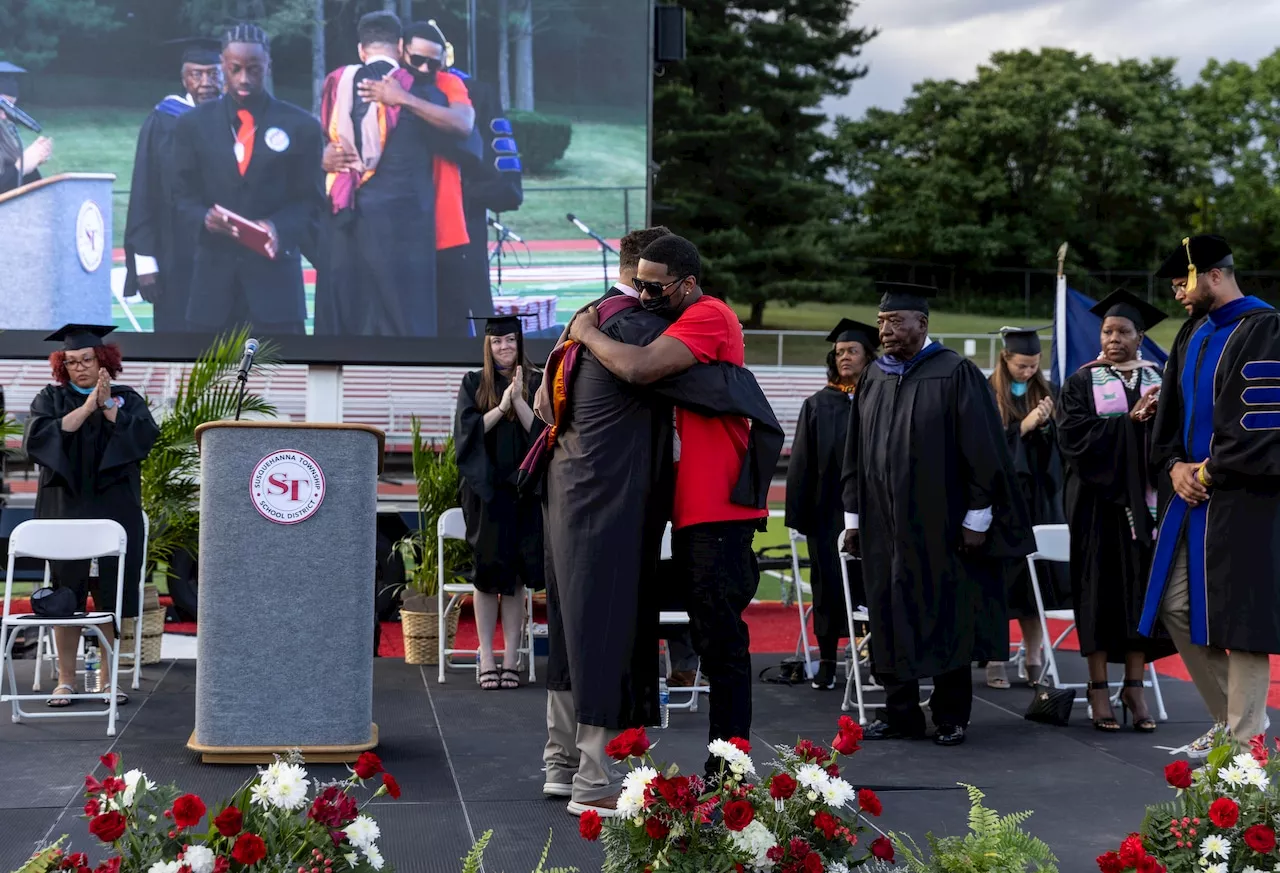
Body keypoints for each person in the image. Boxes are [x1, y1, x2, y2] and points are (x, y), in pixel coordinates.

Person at [568, 234, 770, 778]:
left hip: (718, 509)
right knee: (694, 627)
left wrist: (585, 331)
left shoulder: (709, 316)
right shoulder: (679, 315)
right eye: (638, 283)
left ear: (687, 283)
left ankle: (728, 769)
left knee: (721, 640)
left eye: (654, 287)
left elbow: (636, 369)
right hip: (692, 509)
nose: (643, 294)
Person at [840, 283, 1031, 747]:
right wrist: (853, 520)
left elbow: (982, 451)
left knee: (948, 614)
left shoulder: (955, 372)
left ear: (922, 324)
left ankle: (950, 714)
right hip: (884, 526)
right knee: (887, 614)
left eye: (896, 322)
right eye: (882, 322)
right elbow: (855, 454)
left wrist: (977, 517)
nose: (885, 330)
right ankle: (900, 712)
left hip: (942, 525)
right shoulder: (874, 376)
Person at [1139, 235, 1280, 754]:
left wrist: (1211, 472)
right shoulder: (1194, 332)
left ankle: (1244, 747)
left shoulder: (1264, 329)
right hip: (1192, 498)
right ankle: (1235, 724)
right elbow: (1173, 413)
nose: (1178, 294)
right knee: (1177, 606)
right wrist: (1174, 465)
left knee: (1241, 621)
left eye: (1183, 283)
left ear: (1213, 275)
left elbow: (1264, 420)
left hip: (1244, 499)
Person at [23, 325, 160, 708]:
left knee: (107, 596)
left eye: (86, 359)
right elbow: (38, 439)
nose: (79, 368)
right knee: (65, 598)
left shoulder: (126, 399)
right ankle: (66, 681)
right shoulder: (50, 398)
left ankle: (105, 679)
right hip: (65, 509)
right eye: (71, 362)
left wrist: (108, 408)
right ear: (61, 365)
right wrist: (87, 407)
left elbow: (144, 439)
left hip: (114, 510)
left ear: (103, 361)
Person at [1057, 290, 1175, 733]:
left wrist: (1153, 421)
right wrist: (1128, 423)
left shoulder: (1159, 379)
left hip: (1144, 507)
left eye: (1123, 332)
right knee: (1097, 593)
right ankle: (1098, 689)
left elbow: (1173, 439)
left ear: (1139, 336)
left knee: (1140, 594)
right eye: (1107, 331)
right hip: (1096, 507)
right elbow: (1074, 440)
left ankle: (1134, 685)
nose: (1113, 339)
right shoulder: (1081, 382)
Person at [171, 24, 323, 335]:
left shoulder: (301, 125)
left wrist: (278, 227)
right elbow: (179, 195)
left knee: (281, 381)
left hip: (276, 290)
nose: (244, 78)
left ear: (268, 67)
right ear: (222, 66)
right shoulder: (192, 125)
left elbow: (311, 200)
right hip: (211, 291)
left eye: (254, 69)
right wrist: (204, 218)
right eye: (235, 68)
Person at [785, 318, 878, 691]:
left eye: (852, 351)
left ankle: (873, 659)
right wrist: (799, 515)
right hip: (828, 516)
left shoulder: (881, 399)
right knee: (827, 588)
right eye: (839, 352)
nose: (844, 358)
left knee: (871, 588)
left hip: (875, 517)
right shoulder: (819, 405)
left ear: (868, 356)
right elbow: (801, 463)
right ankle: (826, 661)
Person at [454, 316, 544, 690]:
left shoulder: (537, 381)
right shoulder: (474, 382)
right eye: (497, 342)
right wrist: (501, 403)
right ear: (487, 347)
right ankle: (485, 655)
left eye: (510, 340)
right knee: (488, 576)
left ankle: (511, 657)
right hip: (486, 493)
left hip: (523, 492)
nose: (504, 347)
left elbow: (541, 433)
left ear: (520, 342)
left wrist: (519, 400)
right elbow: (467, 432)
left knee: (517, 576)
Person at [981, 327, 1068, 690]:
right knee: (1001, 581)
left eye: (1034, 365)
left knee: (1037, 583)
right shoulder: (987, 392)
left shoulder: (1047, 392)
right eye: (1021, 365)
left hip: (1037, 504)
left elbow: (1059, 452)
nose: (1028, 372)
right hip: (1002, 504)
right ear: (1005, 359)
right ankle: (995, 656)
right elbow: (984, 445)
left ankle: (1032, 655)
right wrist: (1024, 427)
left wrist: (1047, 427)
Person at [123, 39, 224, 333]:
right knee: (178, 349)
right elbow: (144, 191)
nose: (205, 82)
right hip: (174, 259)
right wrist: (144, 262)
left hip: (228, 261)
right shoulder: (164, 120)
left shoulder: (238, 120)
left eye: (213, 73)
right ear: (184, 79)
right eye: (196, 74)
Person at [0, 62, 53, 195]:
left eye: (10, 107)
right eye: (2, 106)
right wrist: (20, 167)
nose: (4, 116)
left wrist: (32, 161)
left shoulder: (5, 134)